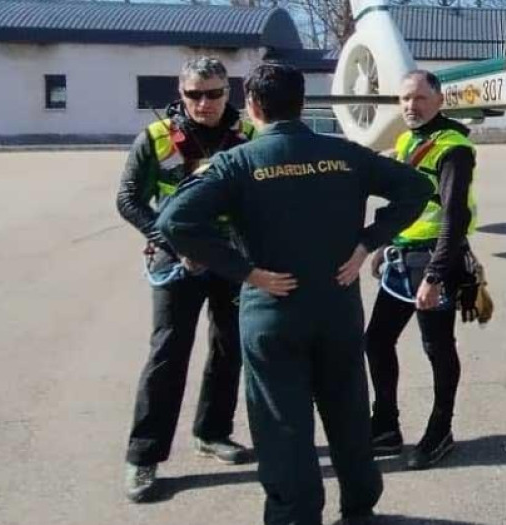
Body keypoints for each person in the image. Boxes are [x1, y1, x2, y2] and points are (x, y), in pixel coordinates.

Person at [156, 63, 432, 525]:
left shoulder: (238, 162)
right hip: (336, 307)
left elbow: (174, 221)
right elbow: (417, 187)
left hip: (273, 312)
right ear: (303, 104)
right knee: (347, 412)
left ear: (253, 106)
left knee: (283, 427)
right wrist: (368, 242)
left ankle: (295, 516)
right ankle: (360, 509)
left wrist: (244, 272)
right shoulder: (345, 155)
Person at [115, 56, 256, 502]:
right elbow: (128, 200)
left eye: (213, 93)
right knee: (168, 353)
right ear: (181, 94)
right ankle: (144, 456)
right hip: (177, 263)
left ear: (227, 93)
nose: (204, 102)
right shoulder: (155, 139)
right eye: (194, 94)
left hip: (231, 261)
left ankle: (213, 432)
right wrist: (170, 242)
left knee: (229, 347)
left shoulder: (250, 137)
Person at [365, 70, 479, 470]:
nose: (411, 107)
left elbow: (454, 217)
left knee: (437, 348)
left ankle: (440, 430)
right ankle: (385, 426)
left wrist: (435, 276)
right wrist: (384, 246)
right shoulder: (406, 140)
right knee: (377, 340)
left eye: (420, 99)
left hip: (436, 262)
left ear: (439, 100)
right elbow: (403, 205)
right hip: (402, 260)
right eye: (405, 100)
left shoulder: (453, 148)